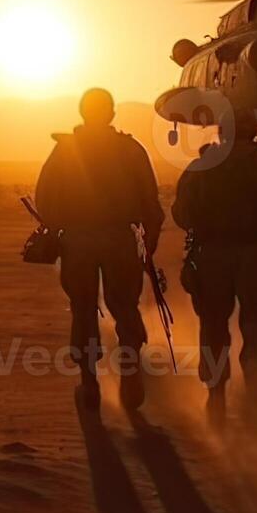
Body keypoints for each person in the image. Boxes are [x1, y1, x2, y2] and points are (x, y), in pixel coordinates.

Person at [35, 88, 165, 411]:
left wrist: (57, 229)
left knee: (83, 309)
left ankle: (88, 384)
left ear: (82, 112)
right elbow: (152, 204)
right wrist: (148, 245)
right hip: (120, 242)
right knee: (125, 308)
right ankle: (130, 376)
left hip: (78, 243)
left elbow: (45, 197)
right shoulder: (131, 150)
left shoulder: (65, 151)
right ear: (111, 113)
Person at [172, 113, 257, 427]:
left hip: (213, 256)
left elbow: (181, 213)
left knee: (213, 325)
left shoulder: (201, 169)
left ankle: (216, 396)